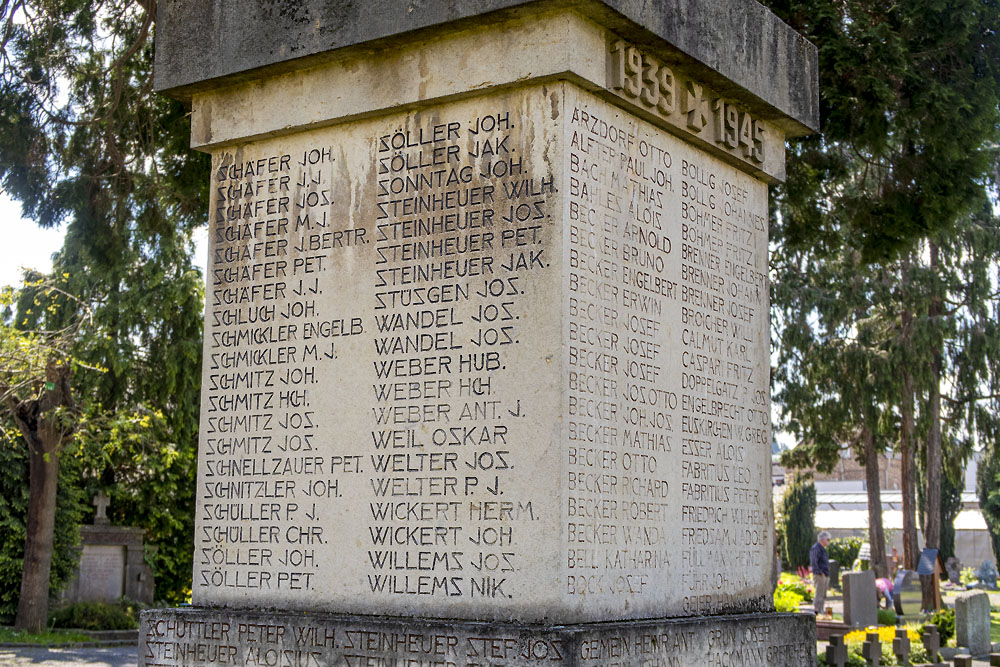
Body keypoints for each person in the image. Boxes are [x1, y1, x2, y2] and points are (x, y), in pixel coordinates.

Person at [810, 530, 832, 615]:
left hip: (825, 573)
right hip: (820, 574)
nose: (828, 541)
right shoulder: (816, 548)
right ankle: (816, 610)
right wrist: (819, 571)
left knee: (823, 593)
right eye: (828, 539)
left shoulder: (823, 549)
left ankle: (821, 609)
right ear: (822, 539)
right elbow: (814, 561)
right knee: (819, 592)